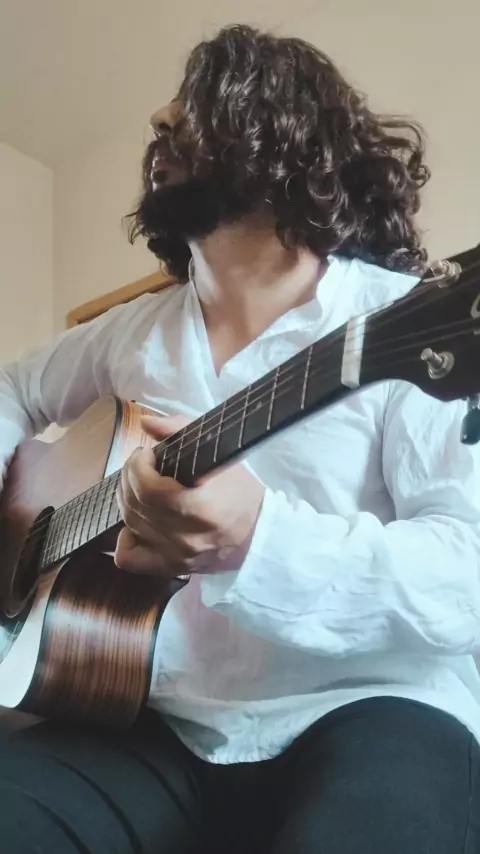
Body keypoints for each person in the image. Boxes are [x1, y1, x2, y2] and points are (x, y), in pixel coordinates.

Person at [0, 23, 479, 854]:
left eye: (194, 105)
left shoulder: (404, 320)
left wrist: (259, 543)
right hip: (147, 715)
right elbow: (12, 390)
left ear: (291, 130)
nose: (160, 120)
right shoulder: (129, 332)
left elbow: (465, 577)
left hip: (372, 708)